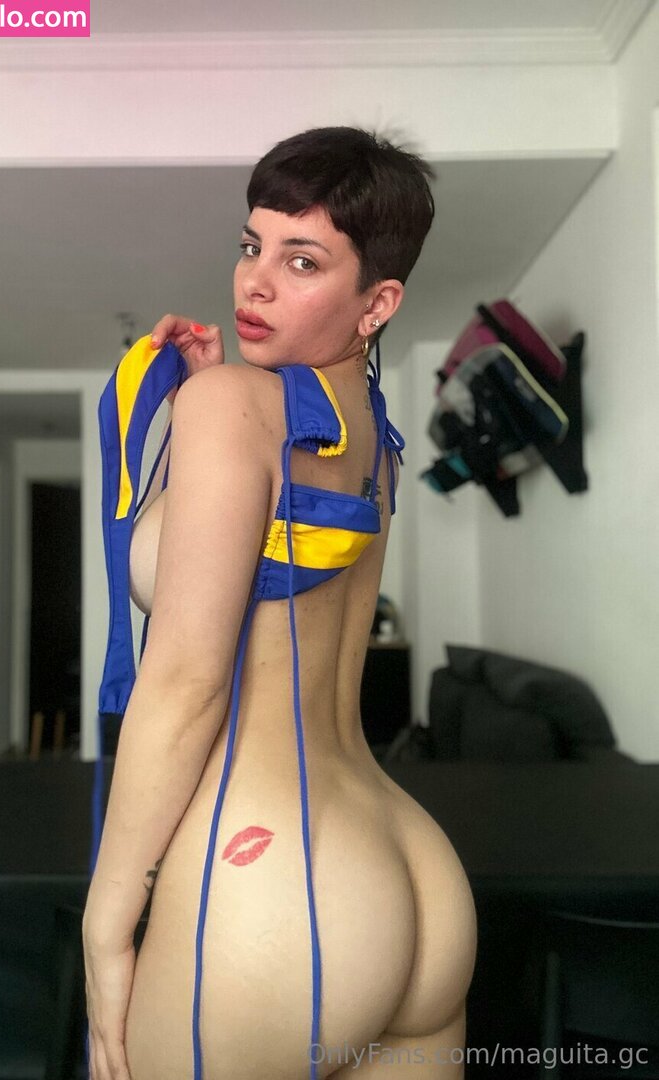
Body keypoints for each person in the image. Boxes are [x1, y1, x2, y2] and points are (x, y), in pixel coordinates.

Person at [82, 125, 478, 1080]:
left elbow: (186, 681)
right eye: (250, 245)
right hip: (410, 871)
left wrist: (107, 922)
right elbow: (270, 562)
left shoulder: (232, 405)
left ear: (377, 302)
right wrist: (206, 414)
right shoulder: (375, 438)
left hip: (268, 889)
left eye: (301, 260)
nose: (255, 282)